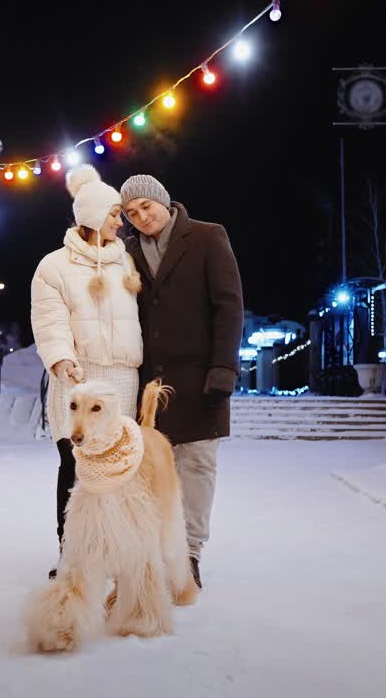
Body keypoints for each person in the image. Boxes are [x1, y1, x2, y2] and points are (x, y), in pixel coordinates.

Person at [120, 174, 244, 589]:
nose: (141, 217)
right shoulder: (127, 251)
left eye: (146, 206)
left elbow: (229, 305)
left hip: (200, 376)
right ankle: (159, 549)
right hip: (149, 384)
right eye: (131, 213)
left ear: (163, 201)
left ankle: (189, 552)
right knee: (156, 469)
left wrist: (223, 368)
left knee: (198, 465)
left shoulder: (207, 237)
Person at [30, 165, 143, 579]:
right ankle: (72, 552)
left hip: (121, 382)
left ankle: (111, 548)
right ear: (93, 214)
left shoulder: (125, 261)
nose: (120, 221)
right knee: (75, 468)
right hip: (76, 381)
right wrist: (61, 359)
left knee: (116, 469)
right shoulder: (53, 266)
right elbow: (49, 320)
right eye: (114, 214)